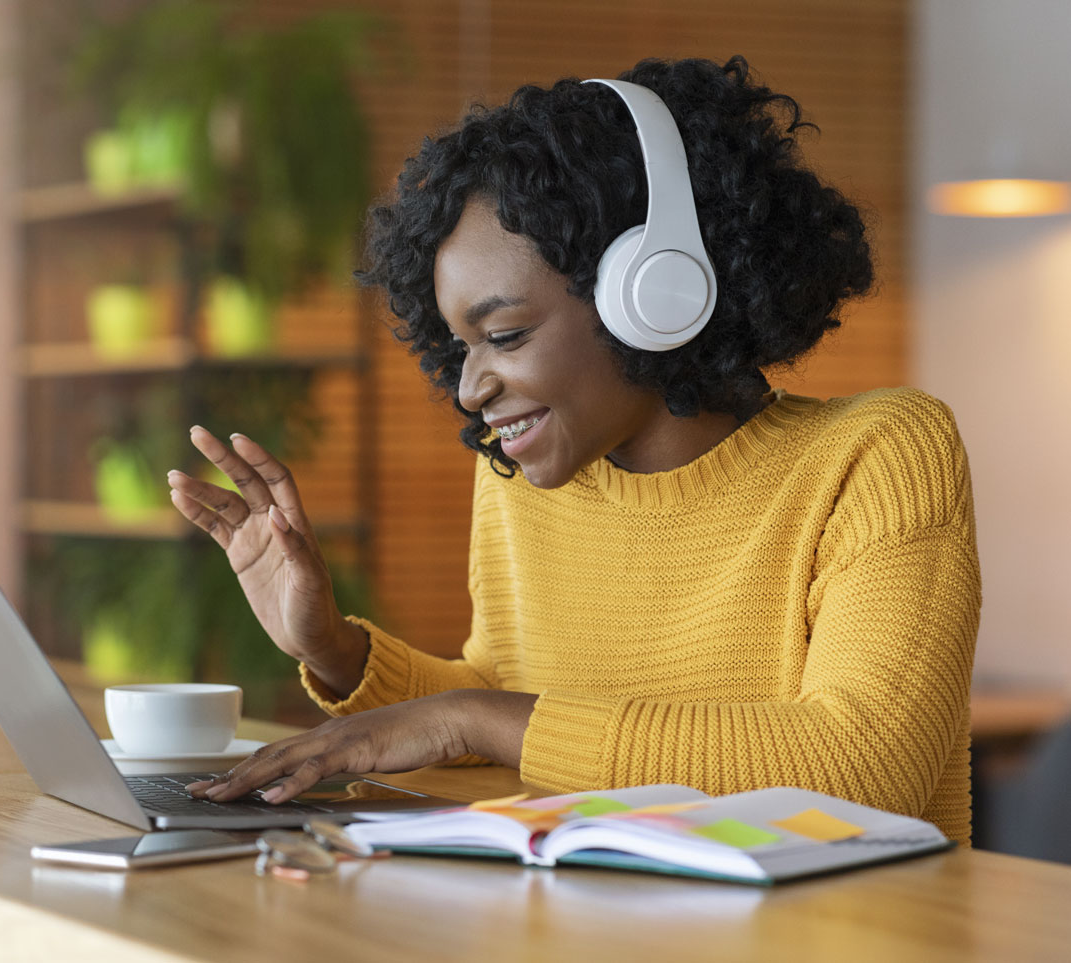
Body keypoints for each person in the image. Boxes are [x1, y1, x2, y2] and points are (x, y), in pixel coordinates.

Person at [166, 55, 981, 843]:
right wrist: (334, 649)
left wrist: (474, 718)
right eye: (461, 348)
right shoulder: (525, 481)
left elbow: (865, 768)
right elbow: (502, 699)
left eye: (506, 334)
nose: (470, 387)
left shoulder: (879, 455)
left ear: (655, 290)